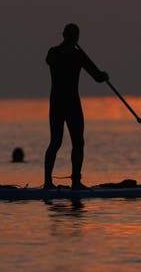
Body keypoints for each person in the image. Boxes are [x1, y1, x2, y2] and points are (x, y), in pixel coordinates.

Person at [44, 23, 108, 190]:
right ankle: (52, 182)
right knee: (61, 142)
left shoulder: (63, 53)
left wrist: (102, 75)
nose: (75, 38)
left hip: (63, 103)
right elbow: (97, 77)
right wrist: (102, 75)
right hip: (65, 103)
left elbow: (97, 77)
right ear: (66, 35)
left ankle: (71, 181)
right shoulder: (62, 53)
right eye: (73, 35)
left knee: (72, 142)